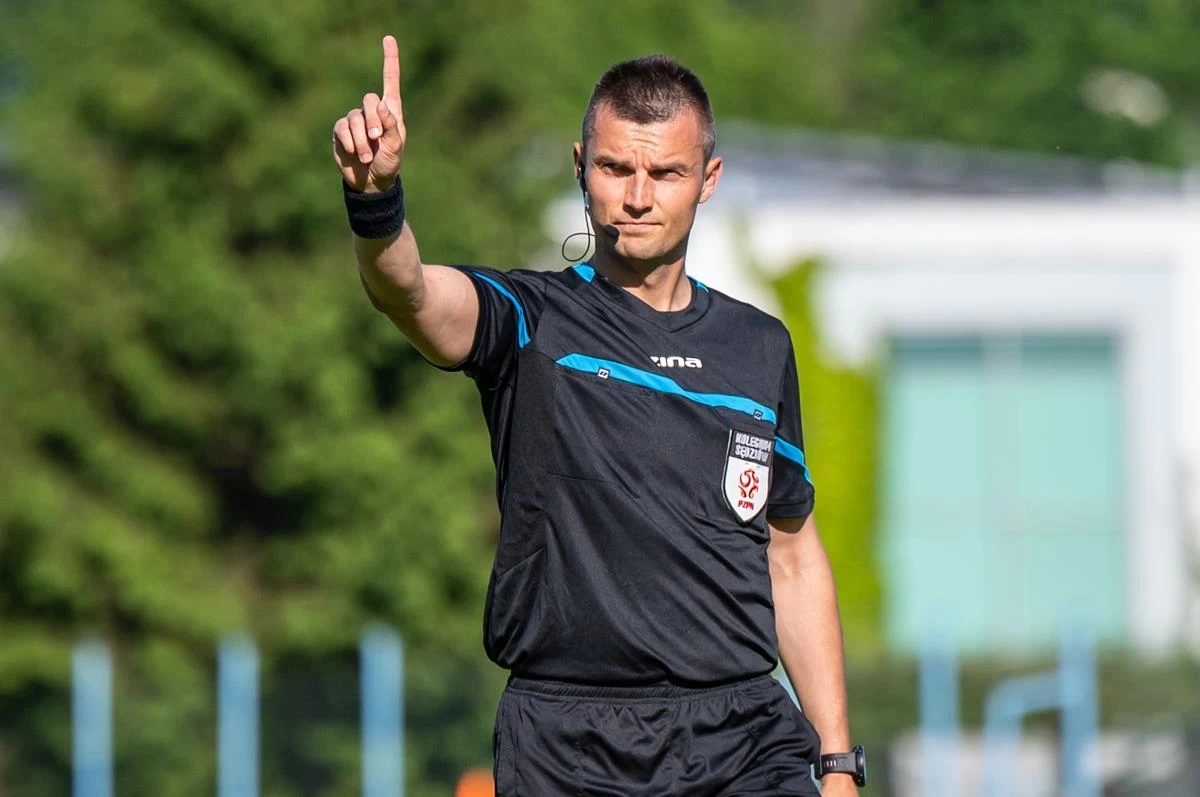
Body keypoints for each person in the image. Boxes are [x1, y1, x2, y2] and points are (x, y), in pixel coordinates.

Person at [332, 34, 865, 797]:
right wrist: (375, 199)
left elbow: (791, 553)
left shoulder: (758, 346)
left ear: (708, 179)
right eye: (616, 168)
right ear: (581, 167)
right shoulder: (532, 322)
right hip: (568, 742)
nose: (638, 196)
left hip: (742, 735)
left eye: (666, 172)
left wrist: (838, 763)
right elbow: (410, 293)